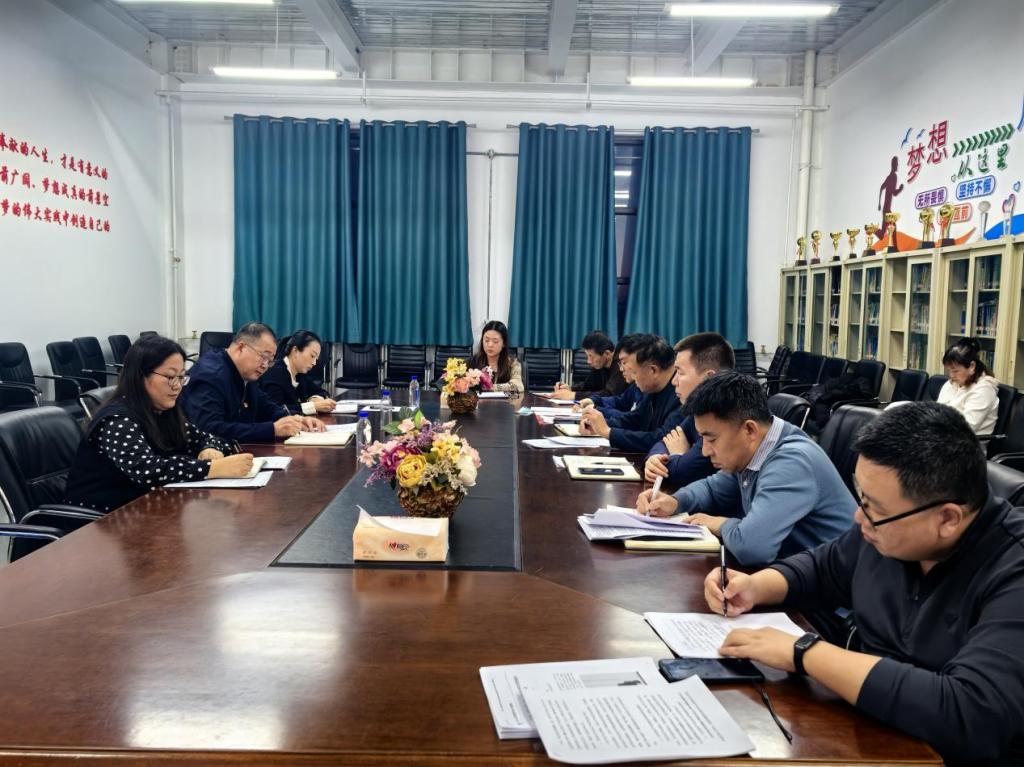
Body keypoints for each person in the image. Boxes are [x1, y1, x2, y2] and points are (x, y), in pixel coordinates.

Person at [704, 403, 1024, 765]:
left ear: (948, 519)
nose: (860, 517)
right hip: (870, 731)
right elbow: (824, 568)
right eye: (863, 500)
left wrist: (805, 653)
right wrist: (755, 586)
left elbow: (971, 714)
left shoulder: (1012, 569)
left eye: (875, 509)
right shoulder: (887, 529)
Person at [637, 371, 854, 565]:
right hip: (793, 574)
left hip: (833, 593)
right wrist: (675, 502)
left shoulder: (792, 462)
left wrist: (719, 524)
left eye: (711, 439)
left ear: (749, 429)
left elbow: (752, 548)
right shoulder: (757, 447)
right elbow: (713, 489)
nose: (705, 451)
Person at [63, 335, 254, 513]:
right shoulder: (117, 420)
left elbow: (210, 438)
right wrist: (212, 468)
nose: (177, 386)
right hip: (100, 520)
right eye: (170, 377)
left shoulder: (162, 412)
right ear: (140, 376)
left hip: (149, 509)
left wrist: (210, 448)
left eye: (181, 377)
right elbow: (148, 470)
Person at [180, 322, 324, 442]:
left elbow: (265, 406)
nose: (265, 365)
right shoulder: (210, 375)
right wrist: (272, 429)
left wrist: (295, 419)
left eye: (270, 360)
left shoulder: (244, 373)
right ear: (241, 348)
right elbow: (209, 429)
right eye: (263, 357)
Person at [644, 332, 735, 487]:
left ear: (709, 378)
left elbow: (682, 472)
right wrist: (654, 459)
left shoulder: (725, 416)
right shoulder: (700, 410)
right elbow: (665, 440)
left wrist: (676, 455)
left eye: (680, 372)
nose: (674, 381)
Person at [579, 335, 684, 453]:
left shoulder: (682, 393)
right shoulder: (652, 387)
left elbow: (663, 439)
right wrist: (598, 425)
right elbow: (635, 419)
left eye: (633, 372)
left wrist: (608, 432)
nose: (623, 371)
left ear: (652, 370)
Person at [260, 330, 337, 416]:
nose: (314, 363)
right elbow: (275, 410)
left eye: (316, 359)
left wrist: (315, 398)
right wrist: (313, 406)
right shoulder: (275, 373)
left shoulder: (299, 374)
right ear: (295, 350)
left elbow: (321, 391)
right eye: (312, 356)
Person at [938, 337, 999, 434]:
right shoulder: (951, 383)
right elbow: (936, 411)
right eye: (949, 370)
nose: (951, 375)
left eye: (955, 371)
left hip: (965, 441)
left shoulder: (984, 390)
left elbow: (965, 428)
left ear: (972, 366)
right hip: (943, 436)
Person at [576, 334, 643, 417]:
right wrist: (593, 401)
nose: (621, 369)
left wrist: (597, 409)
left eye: (624, 363)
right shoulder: (635, 387)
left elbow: (633, 419)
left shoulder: (648, 391)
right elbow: (619, 401)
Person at [550, 330, 626, 401]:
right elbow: (588, 386)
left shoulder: (621, 365)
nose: (588, 361)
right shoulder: (600, 364)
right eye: (587, 356)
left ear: (607, 354)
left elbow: (609, 394)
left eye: (591, 356)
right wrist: (570, 389)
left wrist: (574, 395)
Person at [470, 320, 523, 394]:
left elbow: (518, 386)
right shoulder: (473, 361)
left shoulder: (513, 363)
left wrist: (491, 387)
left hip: (505, 401)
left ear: (504, 343)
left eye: (495, 341)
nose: (490, 345)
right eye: (487, 340)